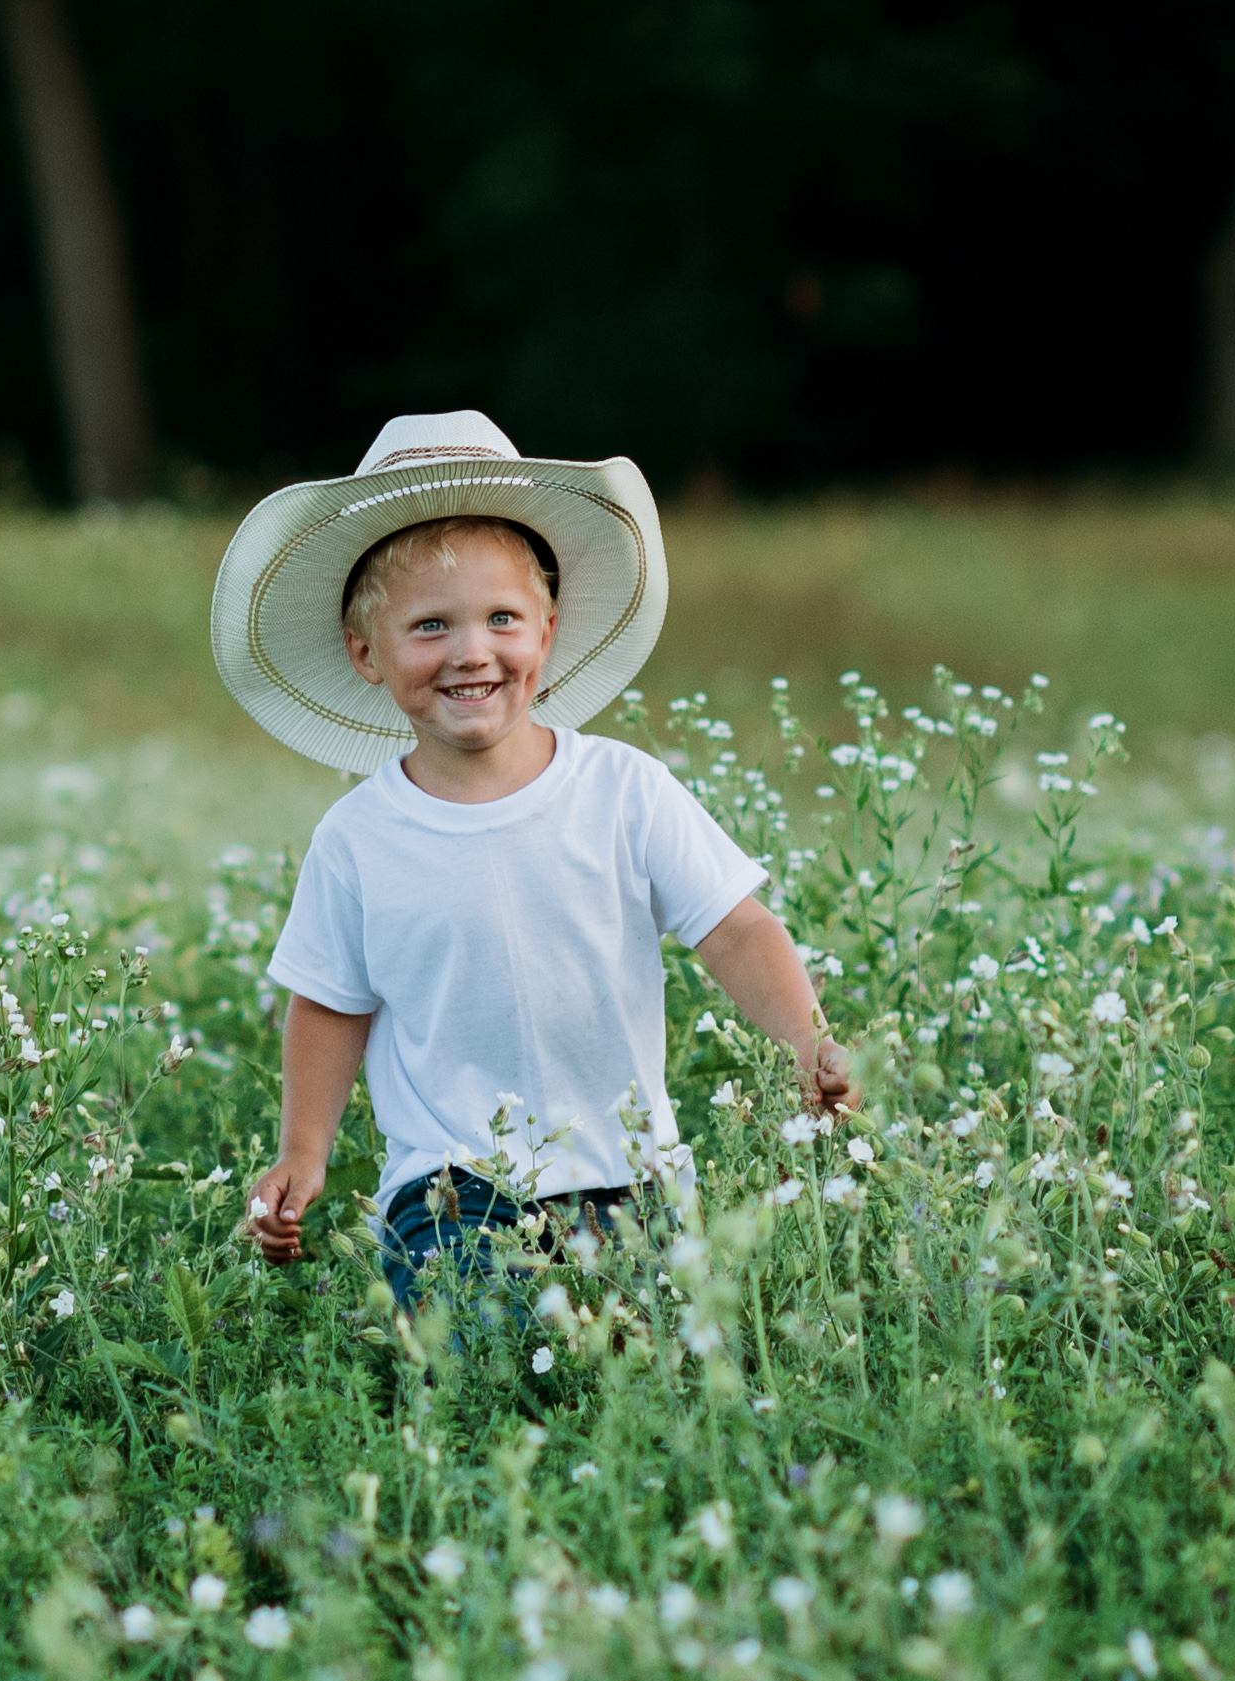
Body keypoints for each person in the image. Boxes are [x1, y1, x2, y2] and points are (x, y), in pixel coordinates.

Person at [213, 414, 853, 1306]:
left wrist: (806, 1040)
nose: (471, 651)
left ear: (545, 634)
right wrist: (302, 1153)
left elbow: (735, 927)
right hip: (449, 1186)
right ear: (367, 653)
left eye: (500, 619)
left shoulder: (623, 789)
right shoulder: (359, 837)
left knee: (651, 1360)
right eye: (429, 626)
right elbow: (327, 1001)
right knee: (489, 1345)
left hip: (631, 1171)